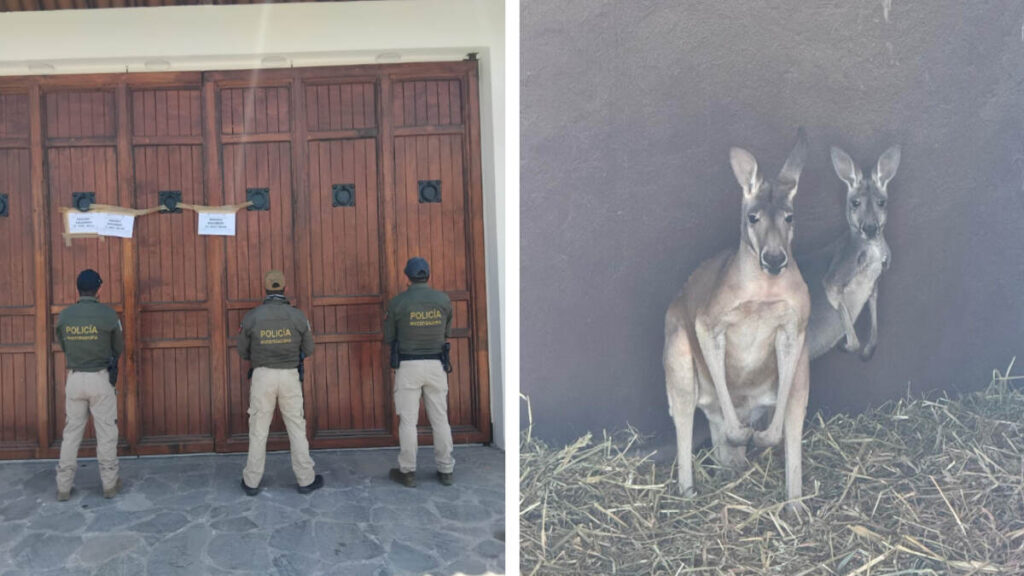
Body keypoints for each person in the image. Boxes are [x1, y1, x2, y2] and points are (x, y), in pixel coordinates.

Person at [237, 270, 322, 495]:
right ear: (284, 289)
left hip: (262, 376)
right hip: (289, 376)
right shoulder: (297, 316)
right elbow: (310, 349)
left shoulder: (252, 317)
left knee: (258, 429)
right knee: (296, 427)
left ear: (265, 290)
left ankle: (252, 481)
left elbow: (242, 351)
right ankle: (305, 479)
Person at [385, 257, 455, 487]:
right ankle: (446, 470)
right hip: (436, 365)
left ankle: (408, 472)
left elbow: (388, 337)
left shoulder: (398, 303)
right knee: (440, 420)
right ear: (428, 275)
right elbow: (447, 332)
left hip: (408, 367)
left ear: (407, 277)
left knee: (408, 421)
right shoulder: (443, 300)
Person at [54, 269, 124, 501]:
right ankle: (109, 485)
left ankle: (63, 486)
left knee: (71, 433)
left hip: (74, 379)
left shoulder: (65, 316)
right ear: (99, 289)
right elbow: (118, 348)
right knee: (106, 433)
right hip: (100, 379)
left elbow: (62, 344)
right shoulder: (108, 315)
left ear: (78, 288)